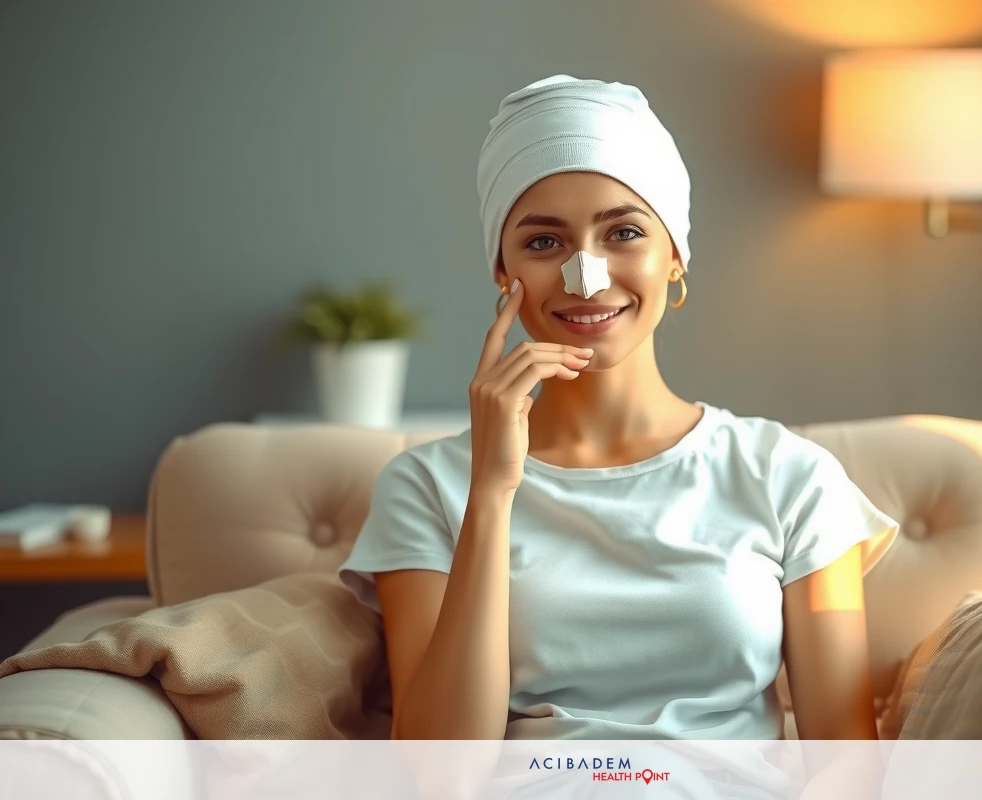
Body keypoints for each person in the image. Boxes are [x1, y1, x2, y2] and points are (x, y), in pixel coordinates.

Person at [338, 75, 899, 755]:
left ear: (674, 257)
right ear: (501, 271)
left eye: (624, 233)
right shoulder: (427, 487)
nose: (587, 276)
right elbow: (442, 778)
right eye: (544, 243)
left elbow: (847, 765)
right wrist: (490, 491)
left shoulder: (788, 476)